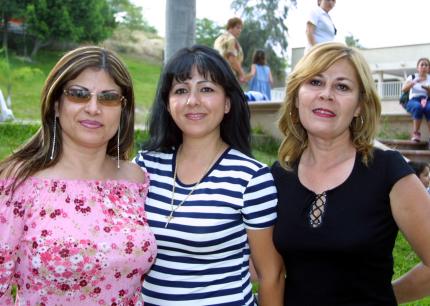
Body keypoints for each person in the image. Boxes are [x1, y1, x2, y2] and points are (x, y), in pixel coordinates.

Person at [272, 42, 430, 305]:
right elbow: (264, 268)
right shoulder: (279, 175)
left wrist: (385, 296)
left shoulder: (388, 172)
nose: (326, 94)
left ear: (359, 106)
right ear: (297, 96)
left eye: (342, 86)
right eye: (315, 82)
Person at [0, 46, 157, 305]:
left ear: (122, 110)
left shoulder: (134, 180)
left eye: (108, 98)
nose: (93, 108)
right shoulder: (17, 180)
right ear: (56, 105)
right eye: (78, 94)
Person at [134, 44, 284, 306]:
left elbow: (270, 275)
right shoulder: (145, 166)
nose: (193, 101)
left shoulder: (251, 178)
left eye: (206, 89)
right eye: (181, 90)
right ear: (168, 105)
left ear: (227, 102)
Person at [402, 57, 430, 142]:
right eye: (422, 64)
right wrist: (415, 82)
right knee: (417, 107)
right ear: (418, 67)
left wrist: (428, 89)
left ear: (429, 68)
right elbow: (404, 89)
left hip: (426, 99)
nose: (424, 66)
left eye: (426, 65)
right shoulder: (412, 77)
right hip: (413, 100)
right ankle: (416, 133)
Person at [214, 17, 246, 82]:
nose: (240, 30)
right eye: (237, 28)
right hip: (228, 74)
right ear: (230, 27)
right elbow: (232, 59)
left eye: (240, 28)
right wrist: (241, 73)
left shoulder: (218, 39)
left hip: (216, 72)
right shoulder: (231, 39)